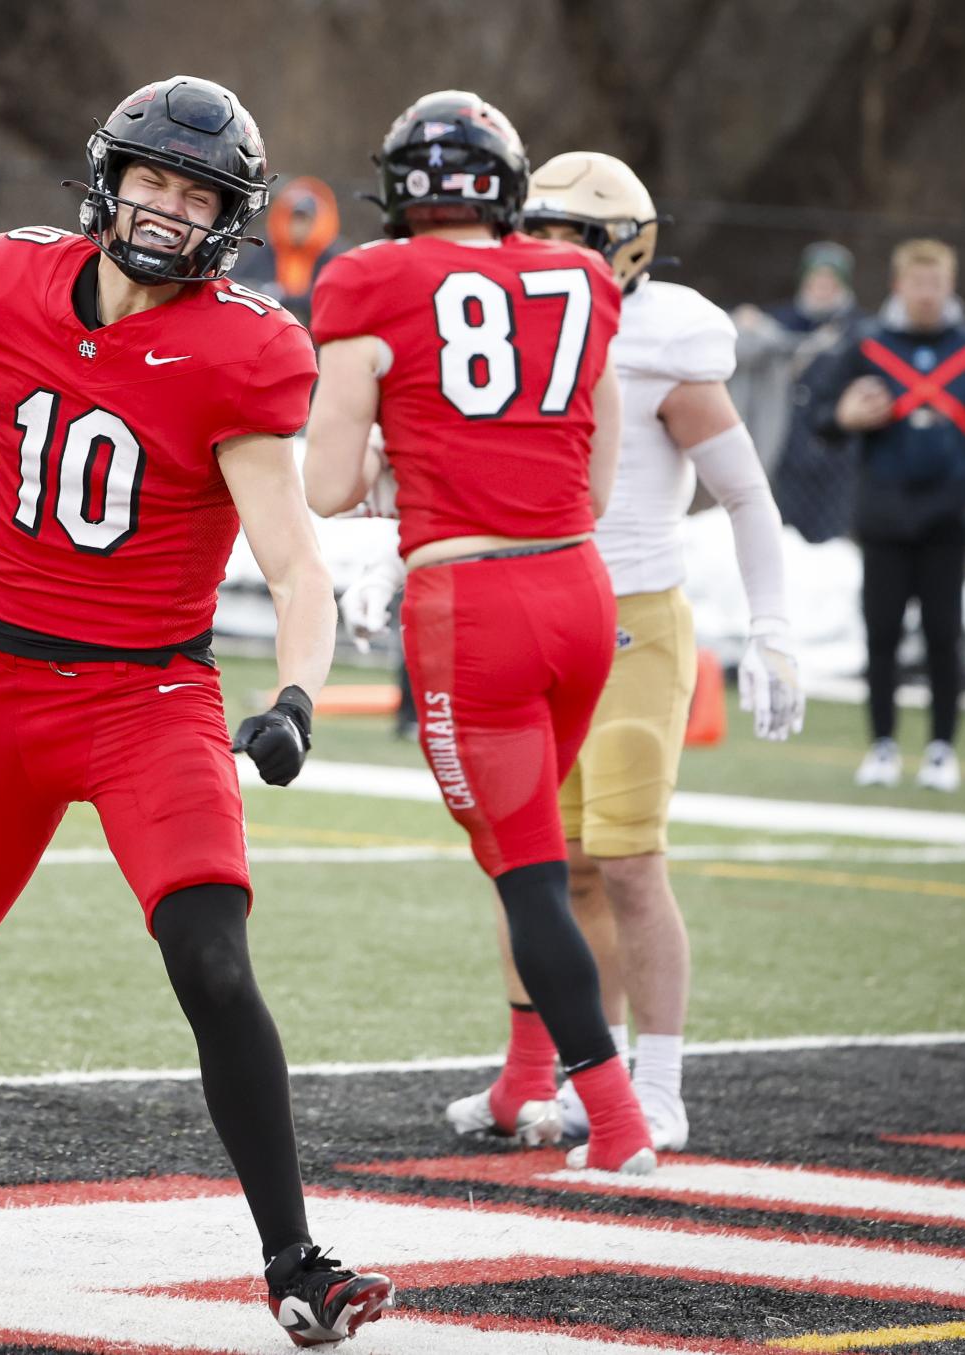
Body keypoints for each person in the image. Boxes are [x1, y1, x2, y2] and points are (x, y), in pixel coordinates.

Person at [0, 76, 393, 1347]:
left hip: (150, 693)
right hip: (1, 683)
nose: (167, 209)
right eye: (153, 180)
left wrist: (297, 697)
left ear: (231, 217)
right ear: (108, 180)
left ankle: (297, 1257)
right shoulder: (10, 283)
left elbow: (295, 559)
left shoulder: (244, 346)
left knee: (212, 958)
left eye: (197, 193)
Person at [376, 151, 795, 1154]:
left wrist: (773, 622)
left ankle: (658, 1084)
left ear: (630, 249)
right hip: (524, 610)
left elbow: (743, 490)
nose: (559, 254)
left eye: (581, 237)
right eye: (546, 231)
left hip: (630, 618)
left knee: (629, 862)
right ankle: (552, 1073)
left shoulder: (660, 334)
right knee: (542, 865)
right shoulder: (496, 309)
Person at [305, 92, 655, 1176]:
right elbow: (596, 486)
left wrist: (398, 464)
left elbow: (324, 485)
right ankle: (520, 1077)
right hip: (580, 592)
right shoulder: (584, 280)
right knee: (536, 847)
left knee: (527, 874)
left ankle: (615, 1114)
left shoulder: (367, 278)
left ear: (400, 189)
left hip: (473, 607)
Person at [816, 239, 965, 792]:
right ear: (899, 286)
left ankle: (941, 749)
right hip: (883, 513)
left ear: (950, 286)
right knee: (880, 632)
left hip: (946, 517)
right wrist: (846, 417)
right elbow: (822, 416)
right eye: (917, 284)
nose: (927, 295)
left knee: (944, 634)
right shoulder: (868, 344)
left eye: (937, 284)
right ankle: (881, 745)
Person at [734, 243, 867, 542]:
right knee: (785, 532)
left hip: (839, 448)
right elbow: (746, 341)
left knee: (834, 536)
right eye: (816, 280)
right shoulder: (783, 320)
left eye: (830, 281)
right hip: (787, 442)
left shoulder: (858, 329)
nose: (822, 288)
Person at [228, 175, 348, 325]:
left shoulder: (331, 255)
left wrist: (284, 297)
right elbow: (236, 281)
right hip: (267, 326)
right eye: (295, 218)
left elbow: (336, 297)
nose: (299, 227)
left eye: (305, 220)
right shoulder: (264, 247)